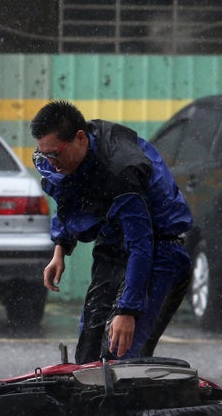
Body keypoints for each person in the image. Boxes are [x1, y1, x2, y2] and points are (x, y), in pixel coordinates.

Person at [30, 100, 193, 364]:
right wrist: (60, 248)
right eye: (44, 155)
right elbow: (67, 197)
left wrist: (127, 309)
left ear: (80, 139)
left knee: (120, 358)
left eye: (55, 155)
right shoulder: (68, 158)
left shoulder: (122, 170)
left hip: (160, 250)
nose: (52, 163)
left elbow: (142, 244)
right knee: (88, 358)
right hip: (114, 246)